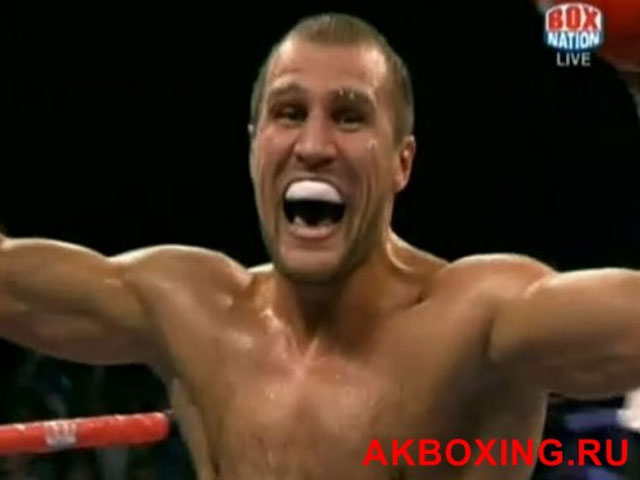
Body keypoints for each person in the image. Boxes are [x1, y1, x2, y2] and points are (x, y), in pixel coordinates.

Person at [2, 12, 639, 480]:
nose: (313, 145)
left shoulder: (479, 320)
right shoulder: (192, 310)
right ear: (254, 148)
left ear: (402, 163)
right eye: (288, 113)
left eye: (350, 116)